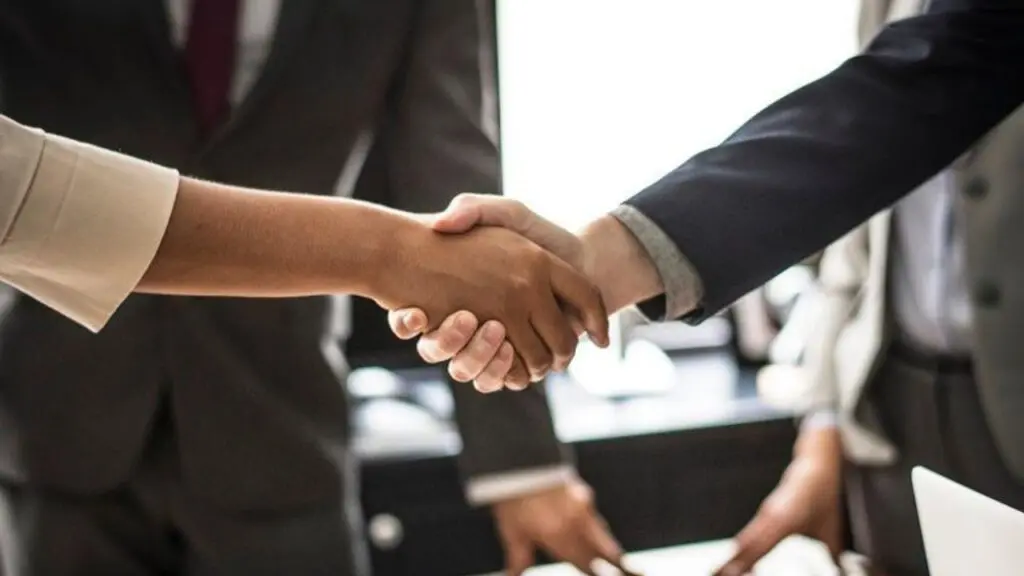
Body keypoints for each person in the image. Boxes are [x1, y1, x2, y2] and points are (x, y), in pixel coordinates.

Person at [0, 3, 618, 576]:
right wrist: (380, 252)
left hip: (280, 425)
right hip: (54, 418)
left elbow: (457, 191)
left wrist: (520, 461)